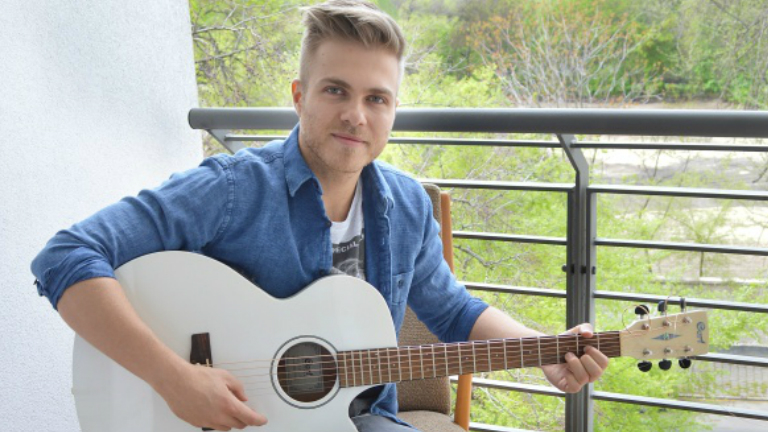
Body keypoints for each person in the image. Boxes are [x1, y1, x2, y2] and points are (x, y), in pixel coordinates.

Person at [31, 1, 609, 431]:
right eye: (336, 90)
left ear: (393, 111)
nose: (356, 115)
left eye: (376, 98)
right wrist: (174, 377)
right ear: (299, 95)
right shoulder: (231, 189)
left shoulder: (408, 206)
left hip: (360, 418)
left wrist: (545, 349)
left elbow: (453, 310)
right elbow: (65, 256)